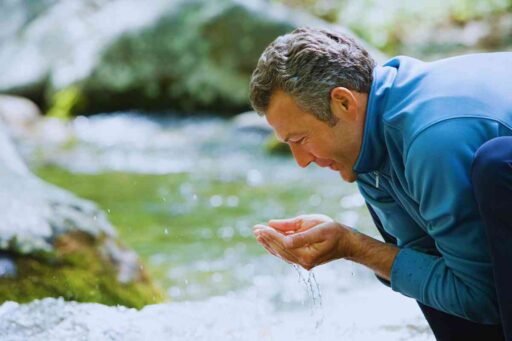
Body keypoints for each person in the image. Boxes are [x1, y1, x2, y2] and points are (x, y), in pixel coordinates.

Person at [249, 27, 512, 340]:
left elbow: (484, 300)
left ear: (343, 103)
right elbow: (426, 268)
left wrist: (353, 246)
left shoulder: (431, 139)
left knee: (496, 164)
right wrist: (353, 246)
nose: (301, 161)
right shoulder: (371, 146)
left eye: (301, 139)